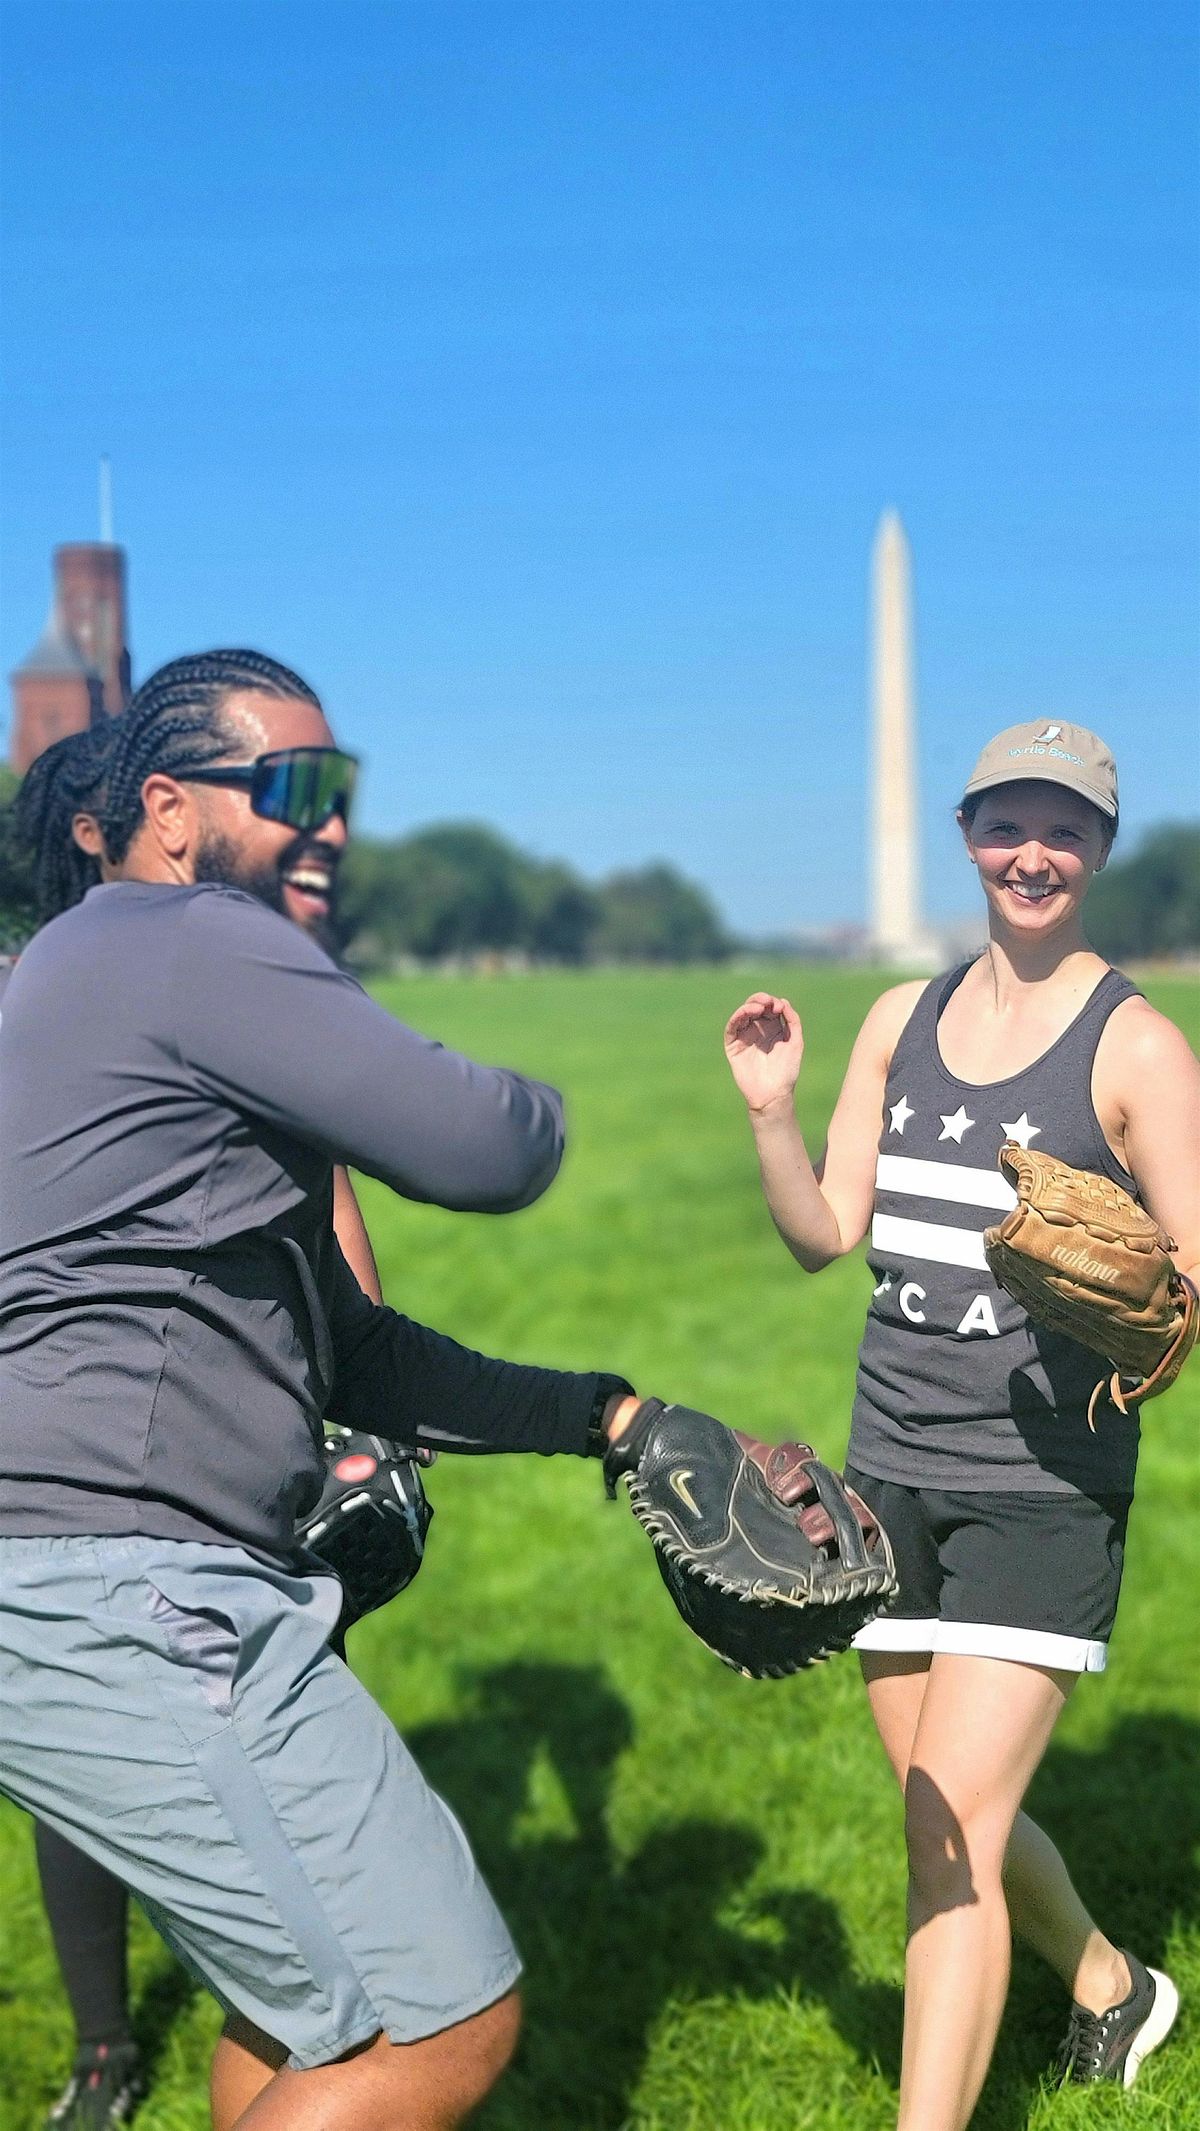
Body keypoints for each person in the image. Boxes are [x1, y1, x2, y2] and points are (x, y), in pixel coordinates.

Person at [0, 650, 643, 2131]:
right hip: (132, 1592)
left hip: (98, 1586)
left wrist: (606, 1413)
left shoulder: (94, 972)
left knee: (307, 2022)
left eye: (342, 791)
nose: (334, 824)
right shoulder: (185, 944)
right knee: (443, 2024)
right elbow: (489, 1147)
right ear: (169, 810)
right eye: (293, 789)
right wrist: (550, 1106)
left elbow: (353, 1350)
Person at [723, 721, 1199, 2130]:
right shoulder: (897, 1021)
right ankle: (1113, 1986)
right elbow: (826, 1235)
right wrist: (770, 1115)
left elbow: (1189, 1280)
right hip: (892, 1480)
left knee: (950, 1841)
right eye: (1007, 825)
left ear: (1101, 850)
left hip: (1042, 1494)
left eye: (1064, 829)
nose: (1033, 853)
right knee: (945, 1815)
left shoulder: (1139, 1048)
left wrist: (1151, 1301)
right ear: (970, 835)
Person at [10, 723, 415, 2129]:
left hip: (253, 1454)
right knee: (96, 1781)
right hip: (82, 1478)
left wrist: (369, 1418)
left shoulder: (234, 982)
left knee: (272, 1779)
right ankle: (114, 2047)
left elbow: (330, 1202)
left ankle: (287, 2039)